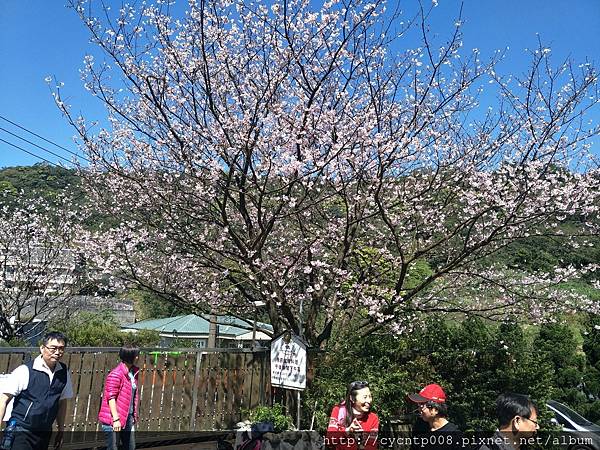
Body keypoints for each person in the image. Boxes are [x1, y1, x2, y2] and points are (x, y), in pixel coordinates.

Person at [0, 331, 73, 450]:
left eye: (61, 348)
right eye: (53, 348)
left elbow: (62, 402)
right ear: (42, 348)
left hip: (44, 432)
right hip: (21, 430)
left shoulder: (63, 372)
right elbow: (3, 400)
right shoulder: (25, 371)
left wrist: (61, 430)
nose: (57, 352)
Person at [98, 345, 140, 450]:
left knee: (130, 447)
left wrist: (133, 416)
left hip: (127, 417)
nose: (138, 357)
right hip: (113, 419)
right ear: (131, 357)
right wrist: (116, 419)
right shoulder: (116, 374)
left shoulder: (132, 373)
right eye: (136, 355)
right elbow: (110, 397)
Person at [408, 383, 463, 450]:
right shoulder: (419, 428)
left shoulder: (455, 437)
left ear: (436, 410)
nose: (419, 409)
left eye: (422, 404)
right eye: (418, 405)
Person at [327, 380, 379, 450]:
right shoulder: (338, 411)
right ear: (352, 398)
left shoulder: (373, 418)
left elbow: (372, 445)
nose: (369, 401)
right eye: (365, 397)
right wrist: (348, 431)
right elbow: (330, 440)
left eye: (370, 396)